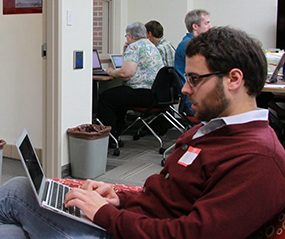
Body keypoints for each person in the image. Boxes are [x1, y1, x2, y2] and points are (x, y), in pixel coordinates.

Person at [1, 26, 285, 239]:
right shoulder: (211, 130)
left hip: (126, 233)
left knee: (17, 191)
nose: (184, 89)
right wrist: (119, 199)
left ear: (234, 79)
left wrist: (106, 215)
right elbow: (166, 199)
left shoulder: (258, 159)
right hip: (129, 223)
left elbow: (191, 234)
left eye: (195, 79)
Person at [97, 22, 164, 146]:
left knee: (105, 98)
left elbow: (125, 74)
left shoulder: (134, 47)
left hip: (142, 93)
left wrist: (110, 71)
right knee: (119, 96)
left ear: (130, 36)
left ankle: (110, 138)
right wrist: (124, 51)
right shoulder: (152, 46)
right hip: (156, 94)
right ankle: (117, 133)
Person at [175, 9, 211, 116]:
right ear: (195, 26)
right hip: (192, 100)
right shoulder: (189, 46)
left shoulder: (192, 44)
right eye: (206, 23)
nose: (210, 27)